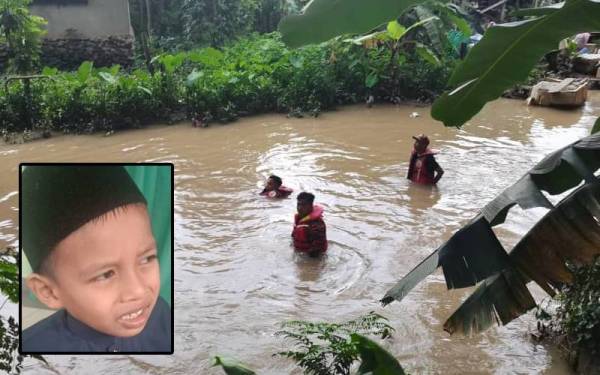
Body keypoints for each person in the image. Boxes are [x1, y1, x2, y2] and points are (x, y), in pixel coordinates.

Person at [21, 165, 172, 353]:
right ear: (48, 292)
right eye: (106, 274)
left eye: (147, 258)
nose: (139, 291)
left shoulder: (163, 315)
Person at [292, 192, 327, 257]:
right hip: (300, 252)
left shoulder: (317, 225)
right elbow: (293, 235)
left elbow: (317, 251)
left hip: (312, 257)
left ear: (311, 206)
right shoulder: (299, 218)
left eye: (304, 205)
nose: (300, 208)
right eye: (298, 205)